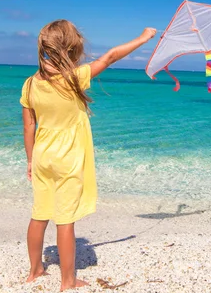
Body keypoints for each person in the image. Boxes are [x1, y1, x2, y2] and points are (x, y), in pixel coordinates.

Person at [19, 19, 156, 291]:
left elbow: (28, 126)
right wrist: (143, 38)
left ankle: (35, 271)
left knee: (39, 214)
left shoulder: (30, 84)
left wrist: (31, 159)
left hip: (43, 156)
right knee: (65, 220)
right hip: (67, 159)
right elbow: (111, 56)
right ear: (71, 49)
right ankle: (68, 281)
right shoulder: (74, 78)